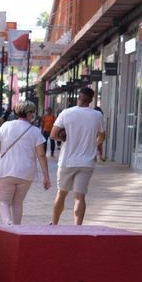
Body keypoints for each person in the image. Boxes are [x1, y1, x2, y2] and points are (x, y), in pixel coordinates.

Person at [0, 100, 50, 225]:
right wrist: (46, 176)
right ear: (30, 114)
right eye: (33, 112)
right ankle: (17, 229)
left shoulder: (6, 126)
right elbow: (41, 155)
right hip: (26, 173)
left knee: (2, 201)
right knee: (18, 202)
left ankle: (8, 223)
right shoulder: (35, 131)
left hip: (5, 171)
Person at [50, 86, 106, 225]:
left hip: (67, 161)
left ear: (79, 97)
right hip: (87, 162)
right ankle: (77, 227)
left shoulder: (66, 113)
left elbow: (53, 135)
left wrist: (63, 139)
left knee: (61, 194)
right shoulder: (97, 115)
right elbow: (102, 137)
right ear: (91, 100)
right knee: (80, 197)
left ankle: (54, 224)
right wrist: (93, 145)